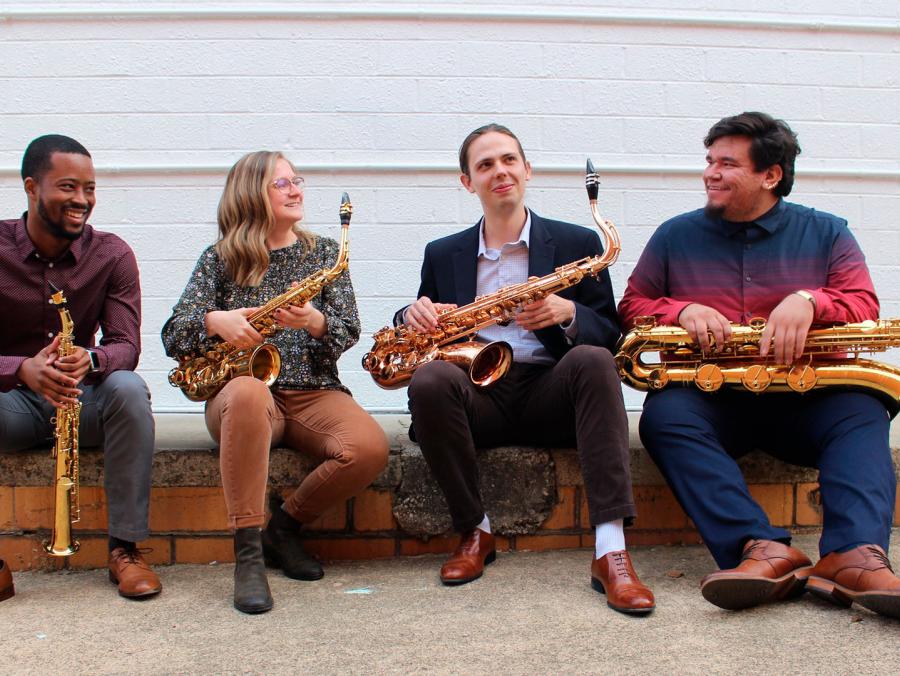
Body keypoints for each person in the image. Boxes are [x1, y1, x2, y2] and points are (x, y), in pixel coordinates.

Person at [619, 111, 899, 619]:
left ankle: (853, 557)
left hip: (808, 399)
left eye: (727, 163)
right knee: (663, 416)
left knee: (863, 410)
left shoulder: (829, 233)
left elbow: (863, 302)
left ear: (771, 175)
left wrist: (813, 301)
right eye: (709, 161)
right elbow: (633, 305)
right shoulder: (673, 235)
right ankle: (763, 549)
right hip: (715, 401)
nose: (710, 173)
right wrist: (679, 310)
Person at [396, 123, 654, 615]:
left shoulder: (579, 242)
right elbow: (419, 320)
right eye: (485, 164)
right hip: (479, 394)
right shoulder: (442, 252)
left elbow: (614, 335)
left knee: (594, 359)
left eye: (509, 160)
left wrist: (570, 313)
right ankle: (475, 530)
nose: (500, 171)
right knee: (430, 378)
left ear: (527, 169)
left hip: (551, 391)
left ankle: (610, 549)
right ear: (467, 182)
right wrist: (411, 314)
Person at [162, 151, 388, 614]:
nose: (296, 190)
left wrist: (316, 323)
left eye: (296, 180)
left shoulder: (325, 253)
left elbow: (348, 330)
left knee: (369, 448)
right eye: (281, 184)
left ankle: (282, 530)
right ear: (252, 194)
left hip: (311, 391)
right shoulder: (221, 258)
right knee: (247, 391)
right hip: (241, 393)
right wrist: (214, 320)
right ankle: (247, 556)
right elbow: (173, 334)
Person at [0, 134, 160, 599]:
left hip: (81, 401)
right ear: (32, 187)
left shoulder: (111, 254)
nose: (82, 200)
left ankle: (126, 551)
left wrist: (90, 359)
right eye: (68, 187)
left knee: (129, 388)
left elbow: (126, 346)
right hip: (11, 404)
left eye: (89, 189)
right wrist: (21, 369)